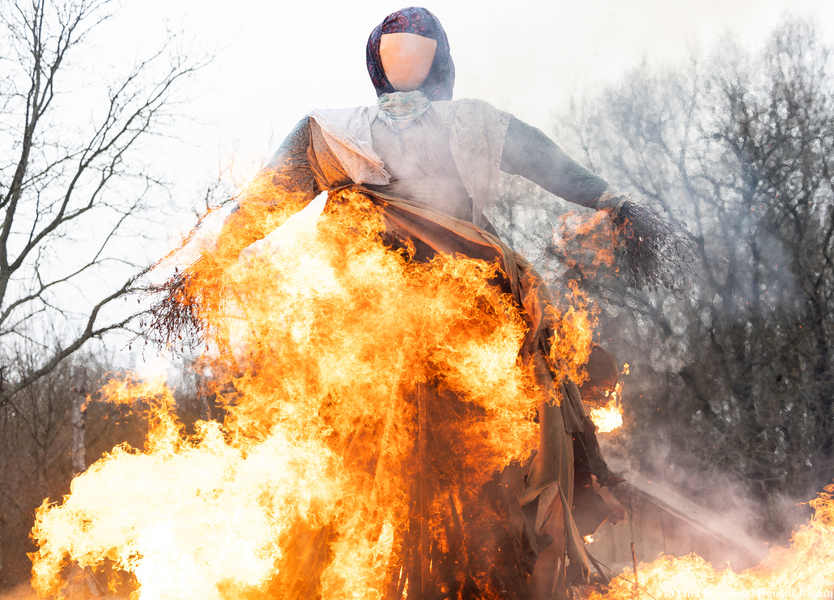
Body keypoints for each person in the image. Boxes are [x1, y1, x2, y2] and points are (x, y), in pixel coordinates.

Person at [159, 6, 685, 599]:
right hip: (412, 335)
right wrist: (613, 201)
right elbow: (557, 168)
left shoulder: (339, 132)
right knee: (483, 450)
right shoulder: (387, 130)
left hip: (445, 334)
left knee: (433, 464)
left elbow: (258, 206)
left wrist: (208, 265)